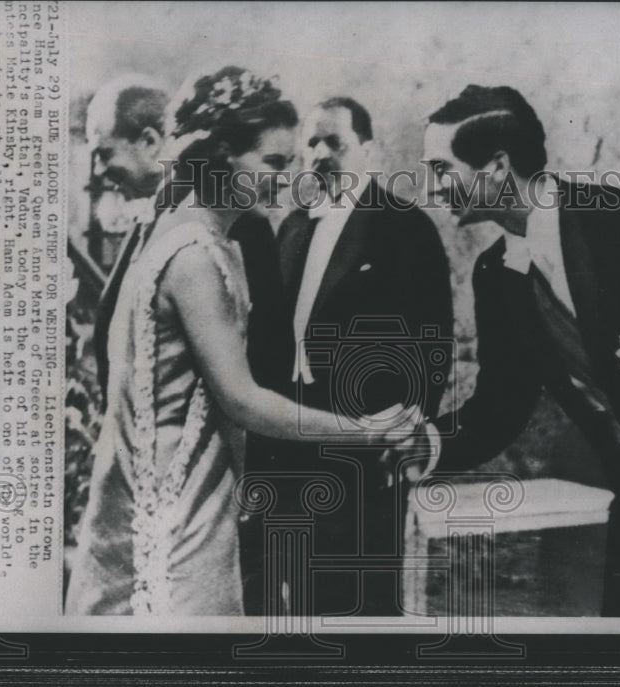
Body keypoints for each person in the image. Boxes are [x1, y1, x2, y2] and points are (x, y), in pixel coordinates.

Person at [65, 68, 415, 616]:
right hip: (173, 503)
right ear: (224, 156)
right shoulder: (197, 253)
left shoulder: (202, 235)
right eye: (274, 163)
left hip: (190, 491)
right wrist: (369, 431)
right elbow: (244, 399)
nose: (286, 178)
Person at [410, 84, 620, 617]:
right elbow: (500, 408)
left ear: (498, 166)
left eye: (441, 168)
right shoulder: (494, 274)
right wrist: (421, 445)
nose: (432, 186)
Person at [238, 97, 454, 616]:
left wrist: (400, 429)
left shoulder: (403, 228)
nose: (319, 153)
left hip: (361, 451)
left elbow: (433, 343)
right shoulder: (291, 228)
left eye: (335, 142)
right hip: (287, 443)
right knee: (276, 593)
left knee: (353, 601)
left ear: (370, 152)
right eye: (312, 142)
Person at [86, 75, 170, 398]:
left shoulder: (218, 224)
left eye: (104, 154)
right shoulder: (149, 211)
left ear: (150, 142)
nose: (97, 171)